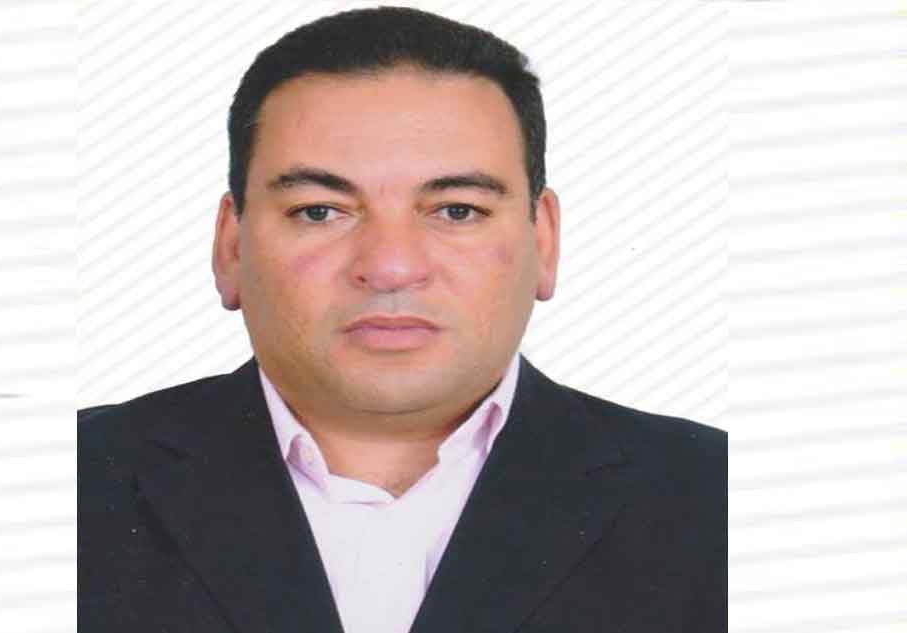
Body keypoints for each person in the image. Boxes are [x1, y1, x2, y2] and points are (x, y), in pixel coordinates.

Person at [78, 6, 726, 633]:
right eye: (319, 211)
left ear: (544, 240)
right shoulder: (63, 485)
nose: (390, 267)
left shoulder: (721, 500)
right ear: (231, 245)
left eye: (457, 210)